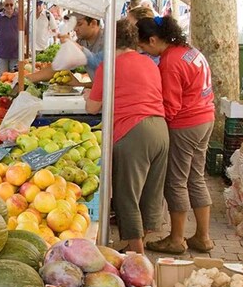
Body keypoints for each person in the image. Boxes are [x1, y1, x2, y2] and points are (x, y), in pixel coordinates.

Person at [84, 20, 169, 254]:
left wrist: (85, 95)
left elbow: (92, 107)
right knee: (151, 192)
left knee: (126, 194)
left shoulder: (108, 66)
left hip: (132, 131)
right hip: (160, 129)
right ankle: (137, 241)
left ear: (111, 41)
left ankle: (137, 254)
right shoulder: (150, 63)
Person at [137, 15, 216, 254]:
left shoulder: (170, 62)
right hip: (206, 118)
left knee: (176, 181)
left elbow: (170, 106)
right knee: (196, 177)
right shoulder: (189, 50)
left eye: (142, 46)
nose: (143, 51)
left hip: (186, 124)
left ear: (152, 40)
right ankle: (202, 237)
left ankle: (176, 238)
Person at [0, 0, 20, 73]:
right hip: (1, 54)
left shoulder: (20, 17)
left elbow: (26, 34)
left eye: (11, 4)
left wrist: (24, 48)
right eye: (7, 4)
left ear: (14, 4)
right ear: (3, 5)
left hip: (16, 53)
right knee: (3, 77)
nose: (9, 6)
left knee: (14, 77)